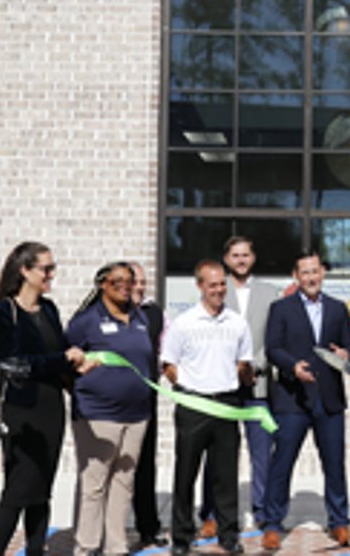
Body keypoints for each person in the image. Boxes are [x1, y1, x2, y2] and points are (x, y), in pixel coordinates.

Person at [0, 241, 98, 556]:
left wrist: (79, 366)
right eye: (46, 268)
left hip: (50, 408)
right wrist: (64, 358)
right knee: (17, 490)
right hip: (21, 410)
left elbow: (58, 356)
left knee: (41, 491)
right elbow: (15, 362)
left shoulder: (48, 309)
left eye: (53, 268)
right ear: (24, 270)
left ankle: (36, 552)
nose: (52, 274)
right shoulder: (4, 311)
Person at [259, 250, 350, 550]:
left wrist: (346, 355)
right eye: (305, 272)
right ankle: (273, 523)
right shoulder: (281, 308)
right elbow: (272, 348)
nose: (311, 278)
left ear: (322, 273)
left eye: (315, 271)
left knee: (335, 464)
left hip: (329, 400)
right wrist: (292, 366)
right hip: (292, 401)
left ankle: (339, 521)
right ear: (296, 276)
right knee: (282, 463)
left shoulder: (339, 309)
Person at [163, 259, 254, 556]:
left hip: (227, 404)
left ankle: (228, 535)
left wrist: (244, 378)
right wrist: (189, 387)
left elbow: (244, 363)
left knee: (226, 477)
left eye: (222, 284)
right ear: (199, 286)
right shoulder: (184, 322)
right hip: (193, 405)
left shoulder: (237, 322)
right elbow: (169, 364)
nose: (218, 290)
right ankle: (181, 537)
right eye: (212, 284)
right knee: (185, 474)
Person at [67, 262, 155, 556]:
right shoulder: (86, 321)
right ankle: (87, 547)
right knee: (94, 484)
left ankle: (115, 547)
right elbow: (67, 363)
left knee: (124, 482)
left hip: (137, 416)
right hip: (97, 415)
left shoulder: (139, 316)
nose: (125, 285)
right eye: (117, 280)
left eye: (129, 280)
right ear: (102, 284)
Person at [198, 235, 276, 535]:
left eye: (245, 254)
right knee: (217, 454)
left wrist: (253, 365)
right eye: (235, 255)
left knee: (261, 455)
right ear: (226, 259)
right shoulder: (216, 290)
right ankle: (212, 514)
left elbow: (274, 338)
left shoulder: (270, 293)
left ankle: (262, 512)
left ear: (253, 258)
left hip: (257, 386)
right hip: (222, 387)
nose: (241, 260)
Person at [128, 262, 168, 548]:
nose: (140, 286)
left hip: (145, 398)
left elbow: (166, 350)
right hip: (112, 402)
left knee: (145, 466)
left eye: (143, 282)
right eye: (135, 281)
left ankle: (148, 527)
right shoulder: (104, 313)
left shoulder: (155, 314)